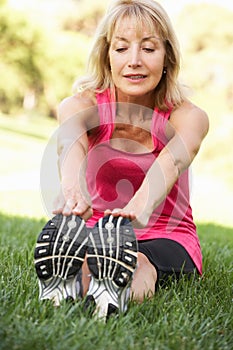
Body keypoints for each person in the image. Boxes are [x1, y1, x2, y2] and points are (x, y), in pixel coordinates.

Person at [34, 0, 209, 320]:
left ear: (168, 56)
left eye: (148, 48)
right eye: (122, 48)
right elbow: (70, 144)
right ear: (107, 55)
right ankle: (73, 282)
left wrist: (141, 203)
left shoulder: (188, 116)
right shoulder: (80, 105)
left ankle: (111, 294)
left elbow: (172, 161)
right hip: (99, 232)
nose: (134, 61)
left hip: (166, 234)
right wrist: (72, 188)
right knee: (91, 261)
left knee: (138, 261)